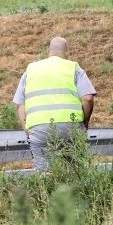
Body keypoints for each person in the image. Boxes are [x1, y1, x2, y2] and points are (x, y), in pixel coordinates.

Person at [13, 37, 96, 171]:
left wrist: (28, 131)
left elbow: (20, 105)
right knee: (75, 173)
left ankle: (49, 191)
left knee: (46, 175)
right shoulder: (74, 68)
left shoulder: (30, 70)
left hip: (39, 130)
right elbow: (88, 99)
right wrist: (84, 123)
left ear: (48, 51)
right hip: (71, 129)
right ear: (67, 53)